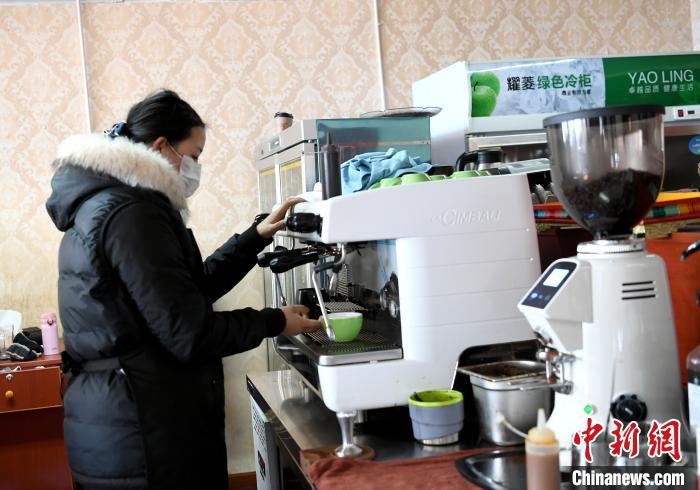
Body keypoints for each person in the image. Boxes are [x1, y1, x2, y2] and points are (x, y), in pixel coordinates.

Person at [45, 89, 321, 490]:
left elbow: (187, 292)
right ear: (161, 146)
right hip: (142, 429)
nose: (195, 168)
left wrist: (255, 237)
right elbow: (188, 333)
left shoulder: (112, 204)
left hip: (127, 416)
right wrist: (275, 321)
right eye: (194, 154)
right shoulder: (132, 213)